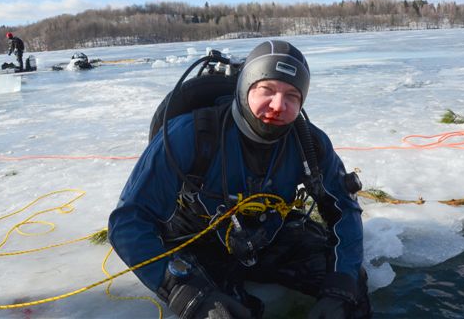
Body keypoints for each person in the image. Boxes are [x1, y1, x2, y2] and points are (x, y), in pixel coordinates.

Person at [108, 40, 371, 319]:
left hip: (269, 236)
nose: (278, 105)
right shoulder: (189, 135)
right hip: (198, 241)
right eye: (266, 90)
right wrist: (178, 288)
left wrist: (342, 283)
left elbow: (344, 207)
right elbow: (128, 222)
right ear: (244, 89)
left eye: (292, 96)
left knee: (350, 293)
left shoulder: (309, 143)